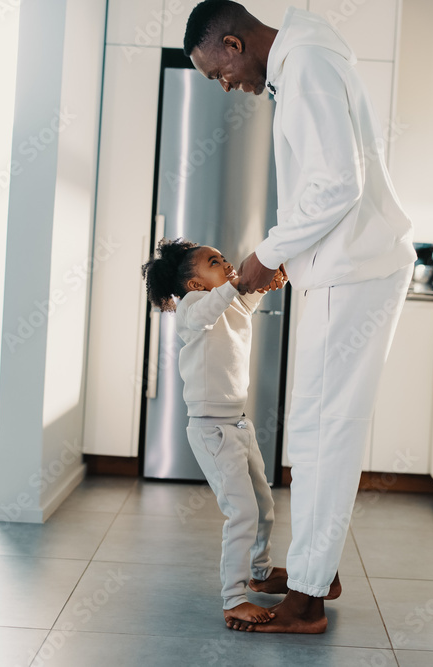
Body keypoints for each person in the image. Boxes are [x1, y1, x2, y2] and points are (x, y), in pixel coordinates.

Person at [184, 1, 417, 634]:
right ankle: (317, 569)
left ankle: (309, 597)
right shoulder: (303, 60)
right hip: (345, 269)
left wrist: (267, 255)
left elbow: (337, 184)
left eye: (217, 73)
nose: (226, 86)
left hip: (357, 271)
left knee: (329, 430)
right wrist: (290, 254)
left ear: (233, 43)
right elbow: (332, 183)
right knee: (312, 431)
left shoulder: (308, 63)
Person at [141, 237, 289, 628]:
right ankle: (233, 598)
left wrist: (261, 285)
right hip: (212, 431)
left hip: (238, 424)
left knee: (263, 505)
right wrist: (238, 285)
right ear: (195, 284)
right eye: (214, 262)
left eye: (223, 258)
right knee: (242, 512)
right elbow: (212, 308)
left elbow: (241, 307)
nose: (224, 263)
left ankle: (259, 570)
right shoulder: (192, 308)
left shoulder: (224, 302)